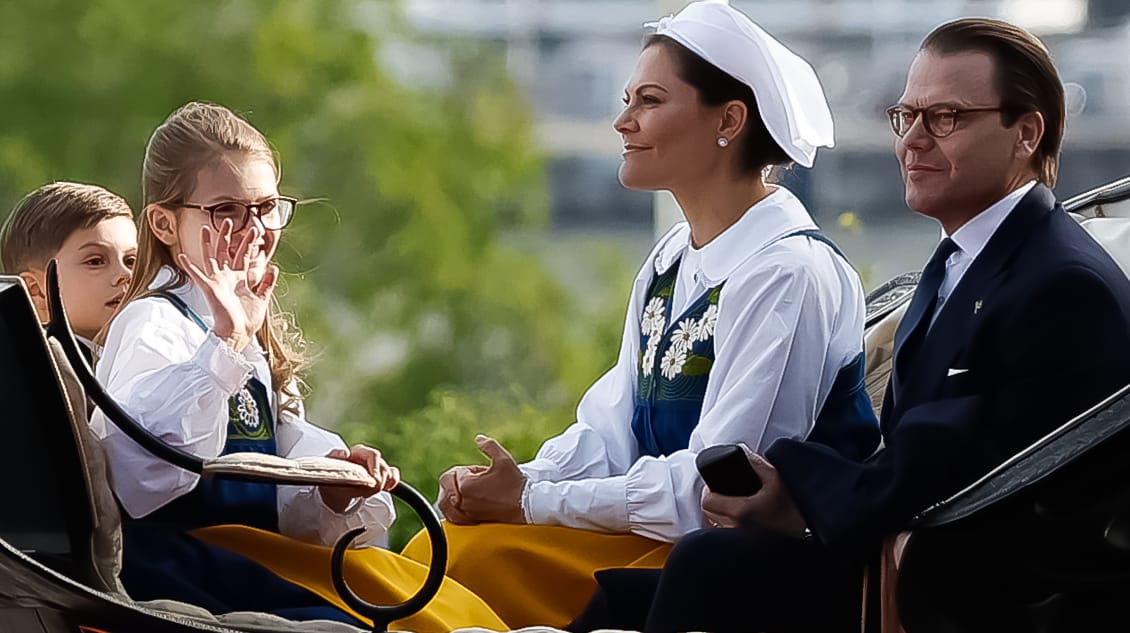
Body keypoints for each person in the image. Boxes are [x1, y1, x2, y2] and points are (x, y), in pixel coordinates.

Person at [574, 17, 1130, 633]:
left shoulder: (1060, 284)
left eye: (944, 118)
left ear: (1026, 132)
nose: (912, 141)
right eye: (906, 116)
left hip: (975, 587)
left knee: (707, 566)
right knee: (621, 599)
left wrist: (798, 494)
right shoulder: (968, 261)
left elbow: (948, 464)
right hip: (912, 539)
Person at [401, 2, 880, 627]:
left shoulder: (786, 272)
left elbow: (721, 491)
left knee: (465, 565)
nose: (623, 121)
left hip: (728, 571)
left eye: (649, 101)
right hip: (657, 539)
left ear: (729, 120)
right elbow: (609, 431)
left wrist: (533, 501)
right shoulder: (671, 259)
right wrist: (516, 481)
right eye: (628, 99)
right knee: (444, 549)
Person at [91, 102, 506, 631]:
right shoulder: (154, 321)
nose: (255, 227)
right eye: (226, 211)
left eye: (265, 207)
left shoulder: (247, 328)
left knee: (446, 610)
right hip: (190, 569)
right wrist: (224, 345)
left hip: (254, 560)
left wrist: (330, 485)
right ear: (165, 223)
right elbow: (139, 474)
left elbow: (274, 477)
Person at [0, 181, 137, 357]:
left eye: (131, 260)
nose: (126, 275)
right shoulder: (33, 376)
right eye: (95, 261)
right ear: (36, 291)